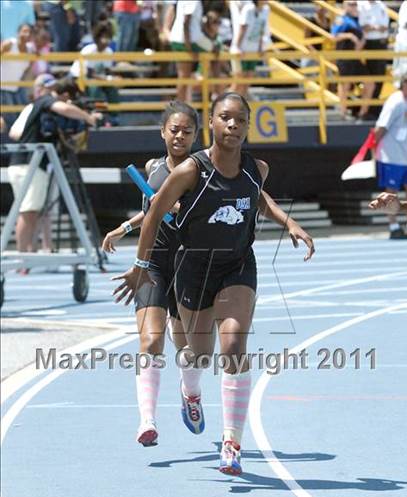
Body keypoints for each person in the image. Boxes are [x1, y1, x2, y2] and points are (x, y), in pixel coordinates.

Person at [112, 92, 315, 475]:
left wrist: (289, 222)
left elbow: (258, 198)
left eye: (240, 120)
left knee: (234, 343)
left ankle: (232, 442)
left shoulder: (258, 168)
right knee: (198, 355)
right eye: (225, 118)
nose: (233, 125)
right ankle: (190, 389)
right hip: (193, 269)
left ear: (248, 126)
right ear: (212, 122)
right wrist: (139, 265)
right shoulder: (191, 170)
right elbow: (153, 214)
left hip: (237, 265)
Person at [102, 101, 199, 446]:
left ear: (195, 136)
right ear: (163, 132)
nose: (179, 136)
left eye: (187, 131)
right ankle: (147, 420)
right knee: (151, 340)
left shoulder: (201, 172)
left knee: (187, 348)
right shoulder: (153, 167)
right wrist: (124, 227)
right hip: (153, 262)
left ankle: (190, 393)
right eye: (174, 129)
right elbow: (150, 210)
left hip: (189, 265)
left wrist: (179, 207)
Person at [7, 77, 101, 254]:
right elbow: (64, 108)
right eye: (69, 99)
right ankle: (23, 257)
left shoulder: (40, 107)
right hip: (30, 165)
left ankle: (29, 254)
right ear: (63, 94)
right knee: (29, 212)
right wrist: (89, 118)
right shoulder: (47, 100)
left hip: (24, 164)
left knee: (31, 211)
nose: (69, 104)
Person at [374, 71, 407, 239]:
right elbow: (381, 126)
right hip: (391, 155)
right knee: (391, 191)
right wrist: (373, 148)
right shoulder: (395, 102)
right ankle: (393, 225)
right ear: (403, 83)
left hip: (406, 156)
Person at [70, 22, 120, 125]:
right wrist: (106, 79)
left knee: (112, 89)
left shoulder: (108, 51)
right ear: (97, 38)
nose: (106, 41)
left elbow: (107, 71)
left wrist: (112, 79)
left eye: (108, 37)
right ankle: (97, 114)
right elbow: (89, 74)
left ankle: (114, 116)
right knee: (95, 88)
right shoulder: (89, 50)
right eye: (103, 37)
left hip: (97, 79)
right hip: (78, 78)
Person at [331, 1, 368, 120]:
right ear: (344, 6)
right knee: (345, 85)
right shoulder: (341, 19)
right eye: (351, 4)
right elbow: (334, 36)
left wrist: (361, 42)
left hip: (354, 58)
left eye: (355, 4)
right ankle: (343, 112)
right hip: (344, 57)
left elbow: (361, 39)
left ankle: (363, 112)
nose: (354, 6)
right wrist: (349, 36)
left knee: (370, 83)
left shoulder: (357, 20)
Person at [230, 0, 271, 97]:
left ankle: (240, 108)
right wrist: (237, 47)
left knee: (247, 82)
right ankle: (226, 105)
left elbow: (262, 29)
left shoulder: (266, 10)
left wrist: (261, 47)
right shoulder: (248, 9)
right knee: (238, 82)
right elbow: (242, 28)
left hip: (253, 50)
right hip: (242, 50)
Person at [357, 0, 389, 120]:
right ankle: (367, 109)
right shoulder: (360, 4)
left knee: (380, 76)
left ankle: (373, 108)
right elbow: (363, 26)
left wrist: (373, 28)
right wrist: (376, 28)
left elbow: (385, 27)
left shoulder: (381, 5)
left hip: (381, 44)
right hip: (369, 44)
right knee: (371, 78)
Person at [169, 0, 205, 101]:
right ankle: (180, 108)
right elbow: (186, 22)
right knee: (184, 76)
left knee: (186, 76)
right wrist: (188, 46)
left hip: (189, 40)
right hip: (184, 41)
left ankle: (185, 104)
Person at [0, 23, 34, 127]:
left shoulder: (30, 51)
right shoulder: (9, 44)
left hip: (16, 88)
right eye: (24, 31)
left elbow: (26, 69)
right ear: (18, 33)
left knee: (23, 115)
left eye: (29, 32)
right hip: (3, 87)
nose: (27, 34)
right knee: (11, 118)